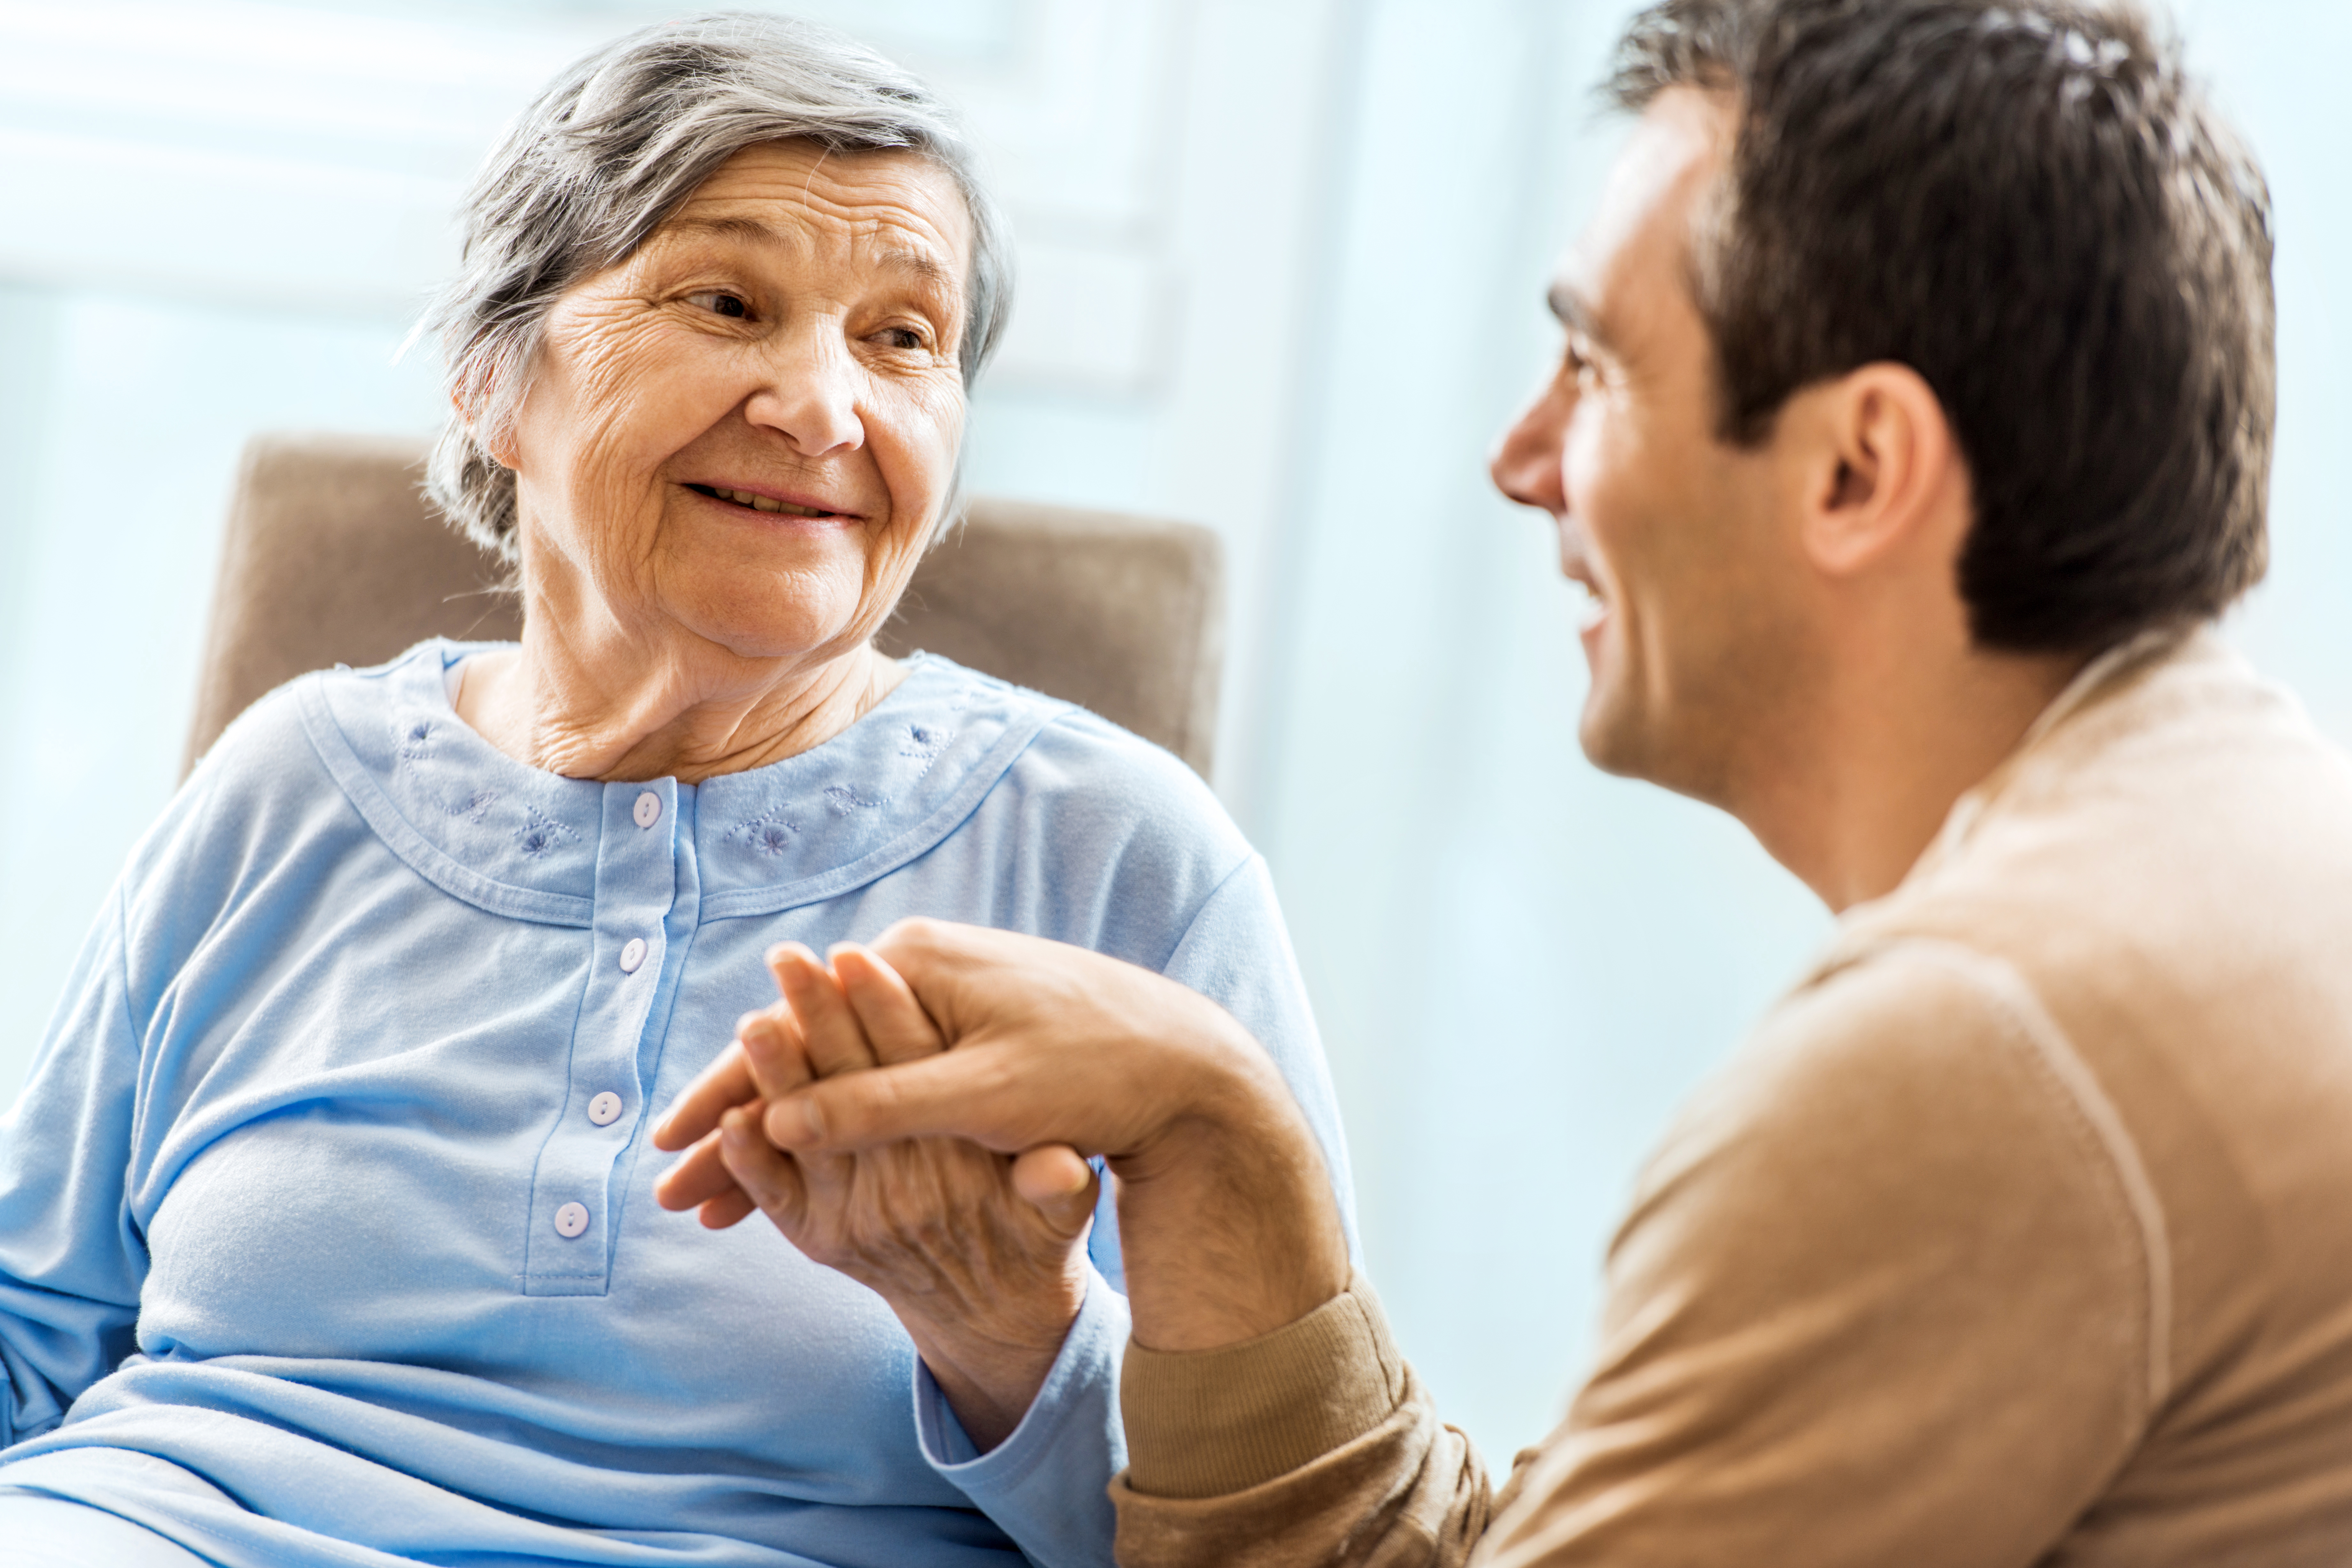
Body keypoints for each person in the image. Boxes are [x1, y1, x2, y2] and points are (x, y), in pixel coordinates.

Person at [664, 0, 2352, 1562]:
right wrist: (1218, 1122)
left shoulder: (1973, 1060)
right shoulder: (2238, 852)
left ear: (1857, 468)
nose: (1522, 456)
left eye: (1599, 367)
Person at [0, 13, 1353, 1567]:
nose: (825, 405)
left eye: (902, 338)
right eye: (729, 301)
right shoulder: (285, 784)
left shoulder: (1121, 863)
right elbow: (30, 1338)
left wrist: (1012, 1339)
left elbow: (1295, 1536)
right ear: (491, 379)